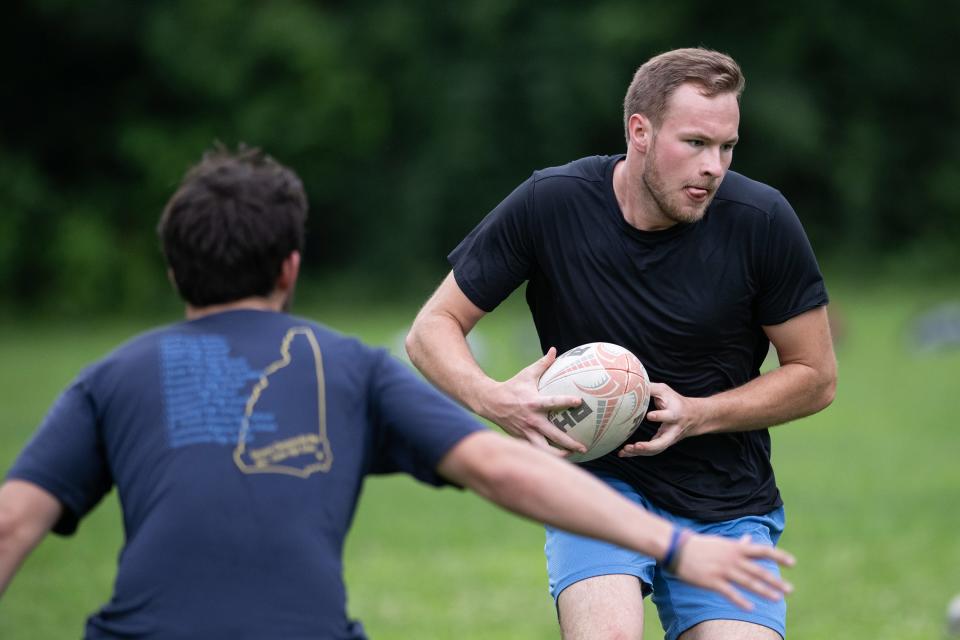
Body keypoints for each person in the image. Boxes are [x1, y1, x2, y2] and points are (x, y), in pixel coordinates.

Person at [0, 146, 795, 639]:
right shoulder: (348, 369)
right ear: (291, 270)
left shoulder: (110, 378)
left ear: (174, 270)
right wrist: (681, 545)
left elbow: (10, 525)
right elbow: (505, 470)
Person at [405, 48, 837, 640]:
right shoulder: (550, 204)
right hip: (594, 488)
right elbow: (432, 328)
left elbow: (816, 374)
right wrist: (494, 398)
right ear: (640, 131)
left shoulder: (761, 220)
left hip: (726, 501)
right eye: (694, 143)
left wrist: (701, 413)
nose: (714, 166)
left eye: (727, 147)